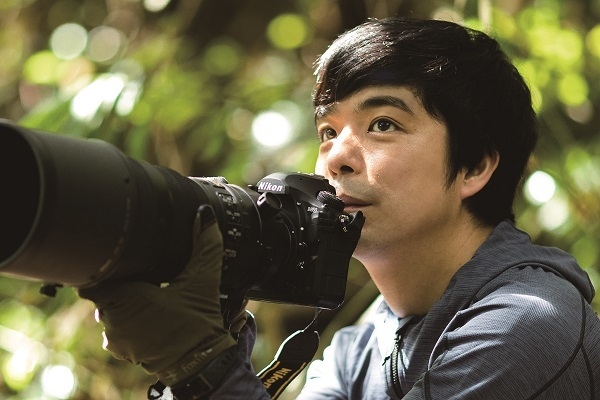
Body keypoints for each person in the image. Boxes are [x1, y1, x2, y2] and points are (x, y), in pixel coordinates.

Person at [78, 17, 600, 399]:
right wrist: (214, 339)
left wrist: (199, 364)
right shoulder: (368, 338)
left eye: (383, 125)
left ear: (474, 168)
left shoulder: (524, 327)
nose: (338, 158)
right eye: (328, 131)